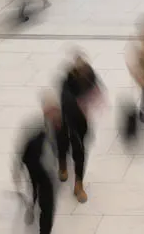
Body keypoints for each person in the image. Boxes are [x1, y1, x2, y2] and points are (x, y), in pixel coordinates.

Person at [57, 52, 102, 204]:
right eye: (82, 71)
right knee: (62, 143)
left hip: (82, 121)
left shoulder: (90, 76)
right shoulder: (66, 83)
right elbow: (65, 102)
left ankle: (78, 184)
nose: (85, 74)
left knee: (80, 151)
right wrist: (81, 104)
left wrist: (93, 101)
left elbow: (97, 88)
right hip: (66, 119)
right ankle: (62, 164)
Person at [16, 94, 60, 234]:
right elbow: (22, 149)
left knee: (47, 206)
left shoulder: (60, 126)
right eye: (51, 110)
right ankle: (32, 204)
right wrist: (17, 169)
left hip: (48, 173)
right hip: (34, 167)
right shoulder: (33, 127)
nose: (54, 113)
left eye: (55, 110)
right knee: (34, 188)